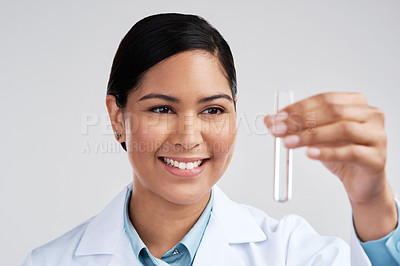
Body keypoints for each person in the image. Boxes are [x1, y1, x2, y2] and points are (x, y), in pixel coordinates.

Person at [22, 13, 399, 266]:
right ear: (117, 117)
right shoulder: (49, 261)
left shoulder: (289, 253)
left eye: (213, 110)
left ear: (235, 112)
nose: (189, 138)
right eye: (162, 109)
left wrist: (372, 203)